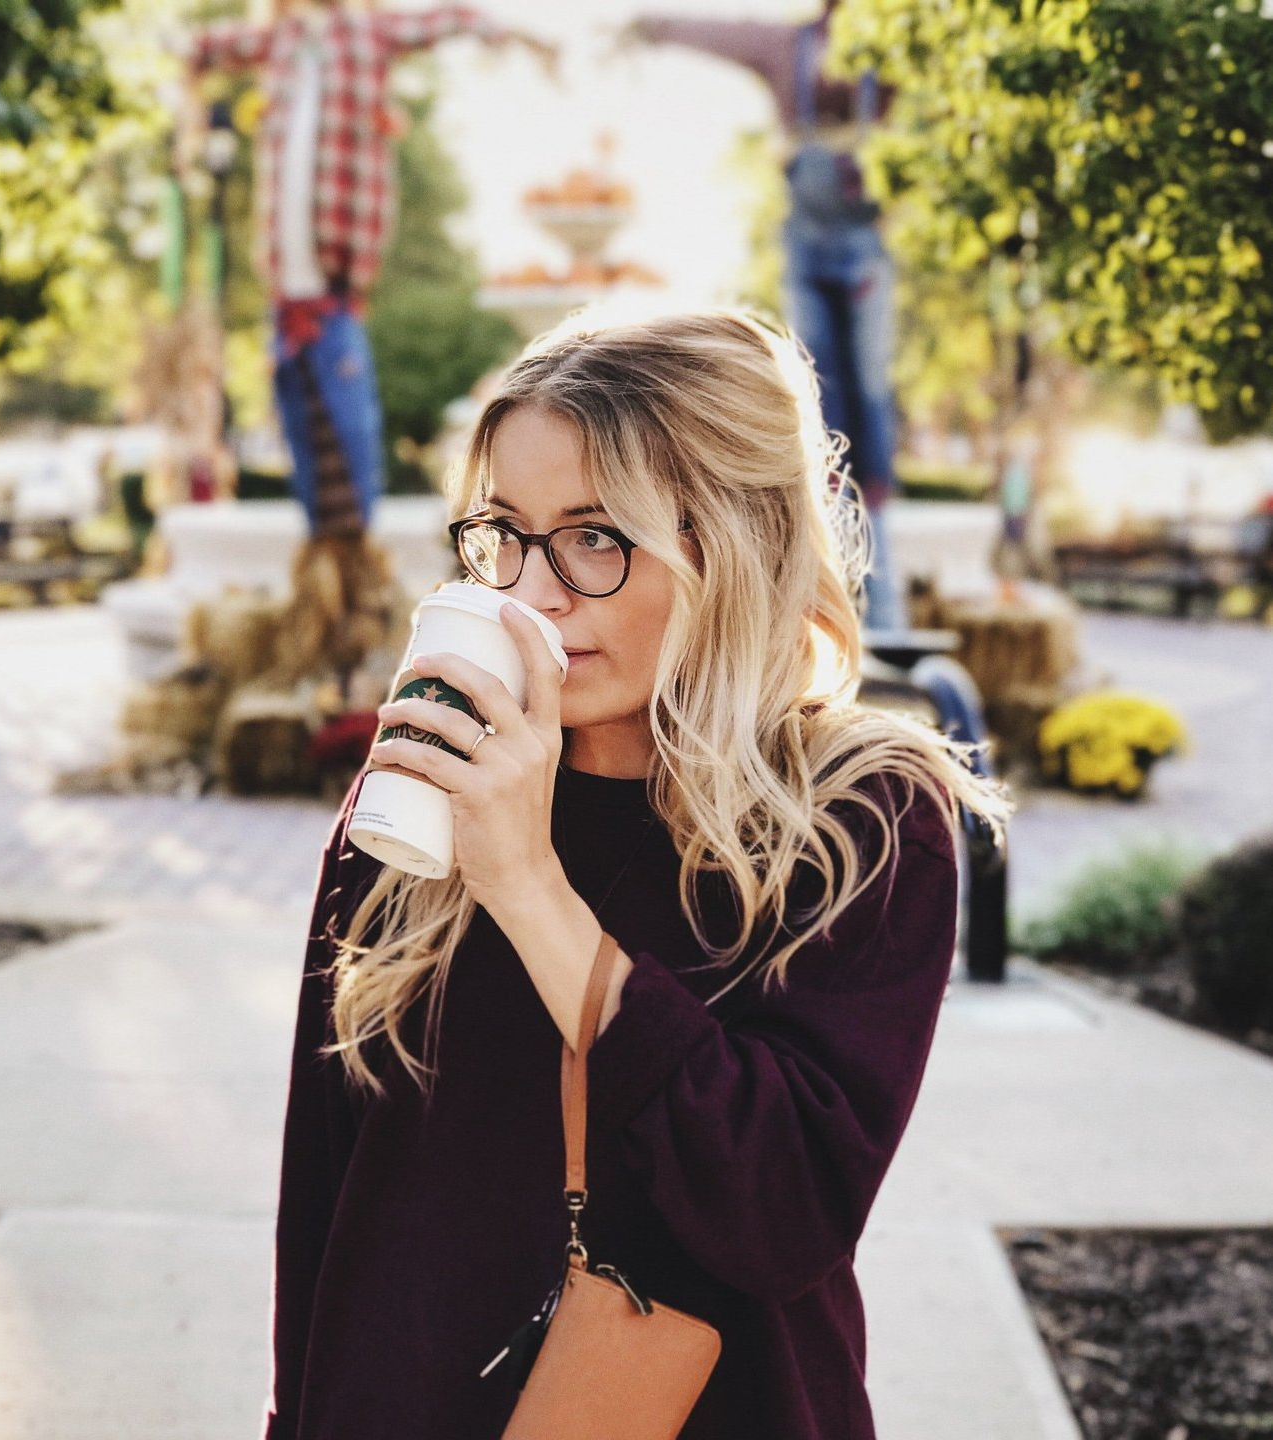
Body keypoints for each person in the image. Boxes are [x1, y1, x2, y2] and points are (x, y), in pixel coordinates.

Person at [263, 310, 1011, 1439]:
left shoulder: (857, 817)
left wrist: (527, 888)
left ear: (733, 543)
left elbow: (782, 1211)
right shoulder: (429, 785)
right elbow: (322, 1193)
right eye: (503, 533)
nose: (534, 593)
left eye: (594, 537)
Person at [184, 1, 556, 537]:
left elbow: (449, 19)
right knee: (304, 442)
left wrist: (515, 35)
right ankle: (325, 561)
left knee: (348, 434)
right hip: (284, 296)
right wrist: (184, 99)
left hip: (334, 287)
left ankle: (358, 557)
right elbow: (207, 48)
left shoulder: (368, 32)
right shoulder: (281, 41)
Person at [623, 5, 909, 629]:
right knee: (817, 394)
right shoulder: (789, 48)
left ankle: (884, 587)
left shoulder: (892, 44)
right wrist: (654, 25)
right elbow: (719, 33)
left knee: (869, 392)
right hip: (805, 246)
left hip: (866, 247)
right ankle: (830, 575)